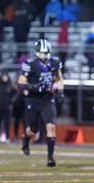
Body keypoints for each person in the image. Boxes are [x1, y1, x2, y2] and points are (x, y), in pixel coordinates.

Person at [18, 39, 63, 167]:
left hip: (48, 98)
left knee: (51, 126)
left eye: (46, 53)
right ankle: (26, 139)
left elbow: (59, 79)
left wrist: (60, 91)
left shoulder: (55, 62)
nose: (44, 55)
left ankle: (50, 158)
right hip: (33, 99)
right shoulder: (30, 64)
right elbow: (20, 82)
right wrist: (32, 86)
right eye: (42, 53)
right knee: (33, 130)